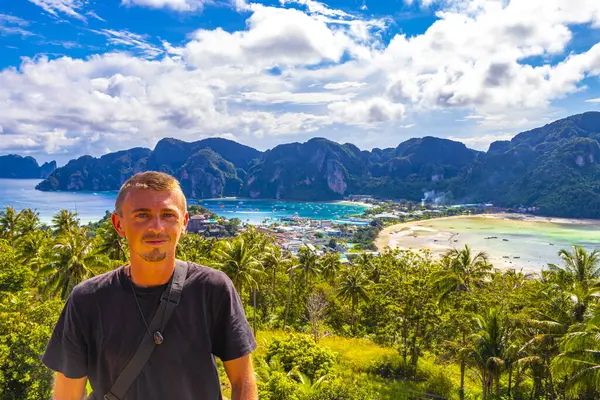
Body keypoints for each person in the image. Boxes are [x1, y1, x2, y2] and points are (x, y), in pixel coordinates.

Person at [42, 171, 258, 400]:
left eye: (168, 215)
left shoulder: (212, 289)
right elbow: (68, 394)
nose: (157, 227)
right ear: (119, 224)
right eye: (142, 215)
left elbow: (242, 381)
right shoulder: (87, 299)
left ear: (184, 223)